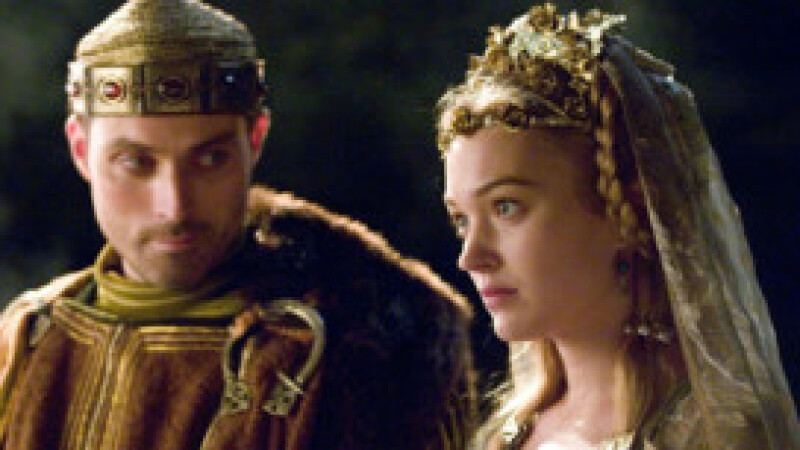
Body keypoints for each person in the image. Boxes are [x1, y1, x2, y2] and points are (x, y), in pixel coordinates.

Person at [0, 1, 475, 449]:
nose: (175, 206)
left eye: (210, 159)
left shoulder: (375, 357)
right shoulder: (25, 341)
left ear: (256, 141)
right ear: (81, 150)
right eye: (136, 162)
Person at [437, 3, 798, 449]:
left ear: (626, 214)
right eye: (461, 219)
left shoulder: (717, 436)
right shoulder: (502, 437)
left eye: (505, 207)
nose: (471, 257)